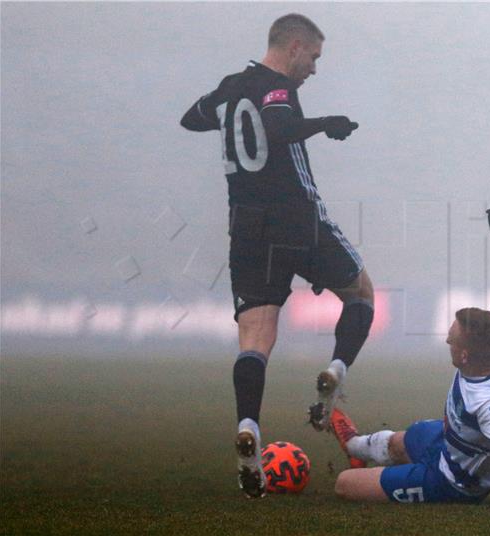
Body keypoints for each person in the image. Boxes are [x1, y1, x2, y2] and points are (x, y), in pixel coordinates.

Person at [180, 14, 374, 498]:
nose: (313, 68)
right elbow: (280, 125)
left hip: (246, 226)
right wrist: (325, 124)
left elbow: (191, 118)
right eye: (313, 57)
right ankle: (336, 371)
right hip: (294, 218)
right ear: (293, 46)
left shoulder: (230, 88)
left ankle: (249, 425)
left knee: (256, 337)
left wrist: (224, 108)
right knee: (361, 294)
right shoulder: (276, 88)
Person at [327, 205, 490, 507]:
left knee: (344, 485)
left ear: (464, 356)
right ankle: (354, 446)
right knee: (402, 440)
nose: (447, 340)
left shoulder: (489, 400)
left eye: (451, 340)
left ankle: (387, 471)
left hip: (452, 480)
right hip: (448, 439)